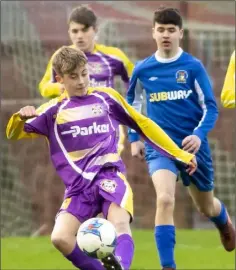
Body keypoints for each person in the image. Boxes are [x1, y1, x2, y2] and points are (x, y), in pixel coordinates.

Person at [7, 46, 197, 270]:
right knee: (60, 238)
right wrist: (19, 118)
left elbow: (144, 124)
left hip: (109, 177)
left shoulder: (106, 98)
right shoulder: (53, 112)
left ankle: (121, 267)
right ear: (59, 79)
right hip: (78, 190)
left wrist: (179, 153)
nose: (81, 81)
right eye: (73, 76)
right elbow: (13, 133)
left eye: (85, 73)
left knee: (120, 223)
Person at [126, 7, 235, 270]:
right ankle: (168, 266)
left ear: (180, 34)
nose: (166, 35)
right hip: (160, 147)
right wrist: (134, 138)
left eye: (171, 30)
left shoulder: (192, 67)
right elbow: (132, 105)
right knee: (164, 199)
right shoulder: (142, 70)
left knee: (206, 207)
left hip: (193, 149)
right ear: (153, 32)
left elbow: (210, 107)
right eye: (161, 30)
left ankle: (223, 221)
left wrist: (198, 136)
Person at [39, 4, 134, 154]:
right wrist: (60, 88)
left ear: (95, 30)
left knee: (109, 168)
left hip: (106, 124)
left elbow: (134, 81)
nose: (79, 36)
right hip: (76, 127)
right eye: (75, 31)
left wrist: (127, 106)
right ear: (69, 32)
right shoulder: (61, 57)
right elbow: (44, 87)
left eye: (84, 30)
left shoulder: (113, 56)